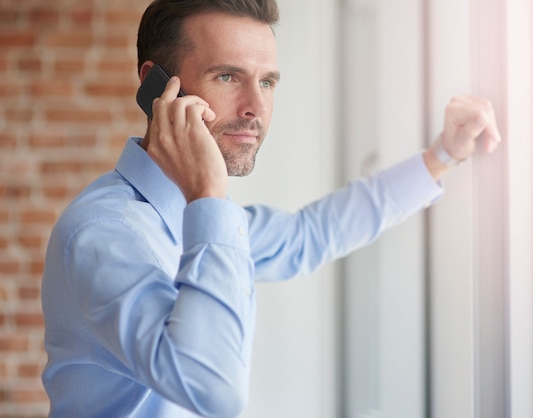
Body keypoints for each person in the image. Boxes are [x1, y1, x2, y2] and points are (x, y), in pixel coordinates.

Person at [40, 0, 501, 417]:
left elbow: (310, 235)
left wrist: (443, 155)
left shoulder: (195, 215)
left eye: (267, 81)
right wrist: (208, 192)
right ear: (156, 87)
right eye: (227, 76)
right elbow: (213, 390)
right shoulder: (105, 233)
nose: (255, 107)